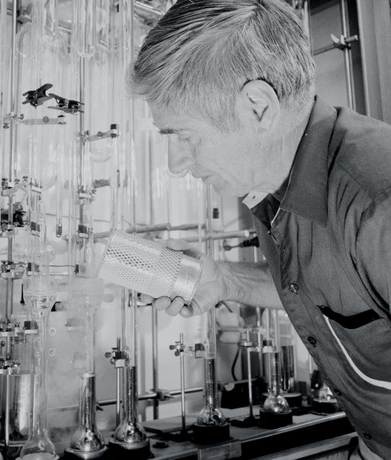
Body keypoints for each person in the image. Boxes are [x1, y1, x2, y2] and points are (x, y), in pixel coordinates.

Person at [127, 1, 391, 459]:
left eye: (183, 136)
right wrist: (222, 279)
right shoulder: (273, 185)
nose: (175, 164)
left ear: (257, 108)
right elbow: (333, 287)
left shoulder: (377, 204)